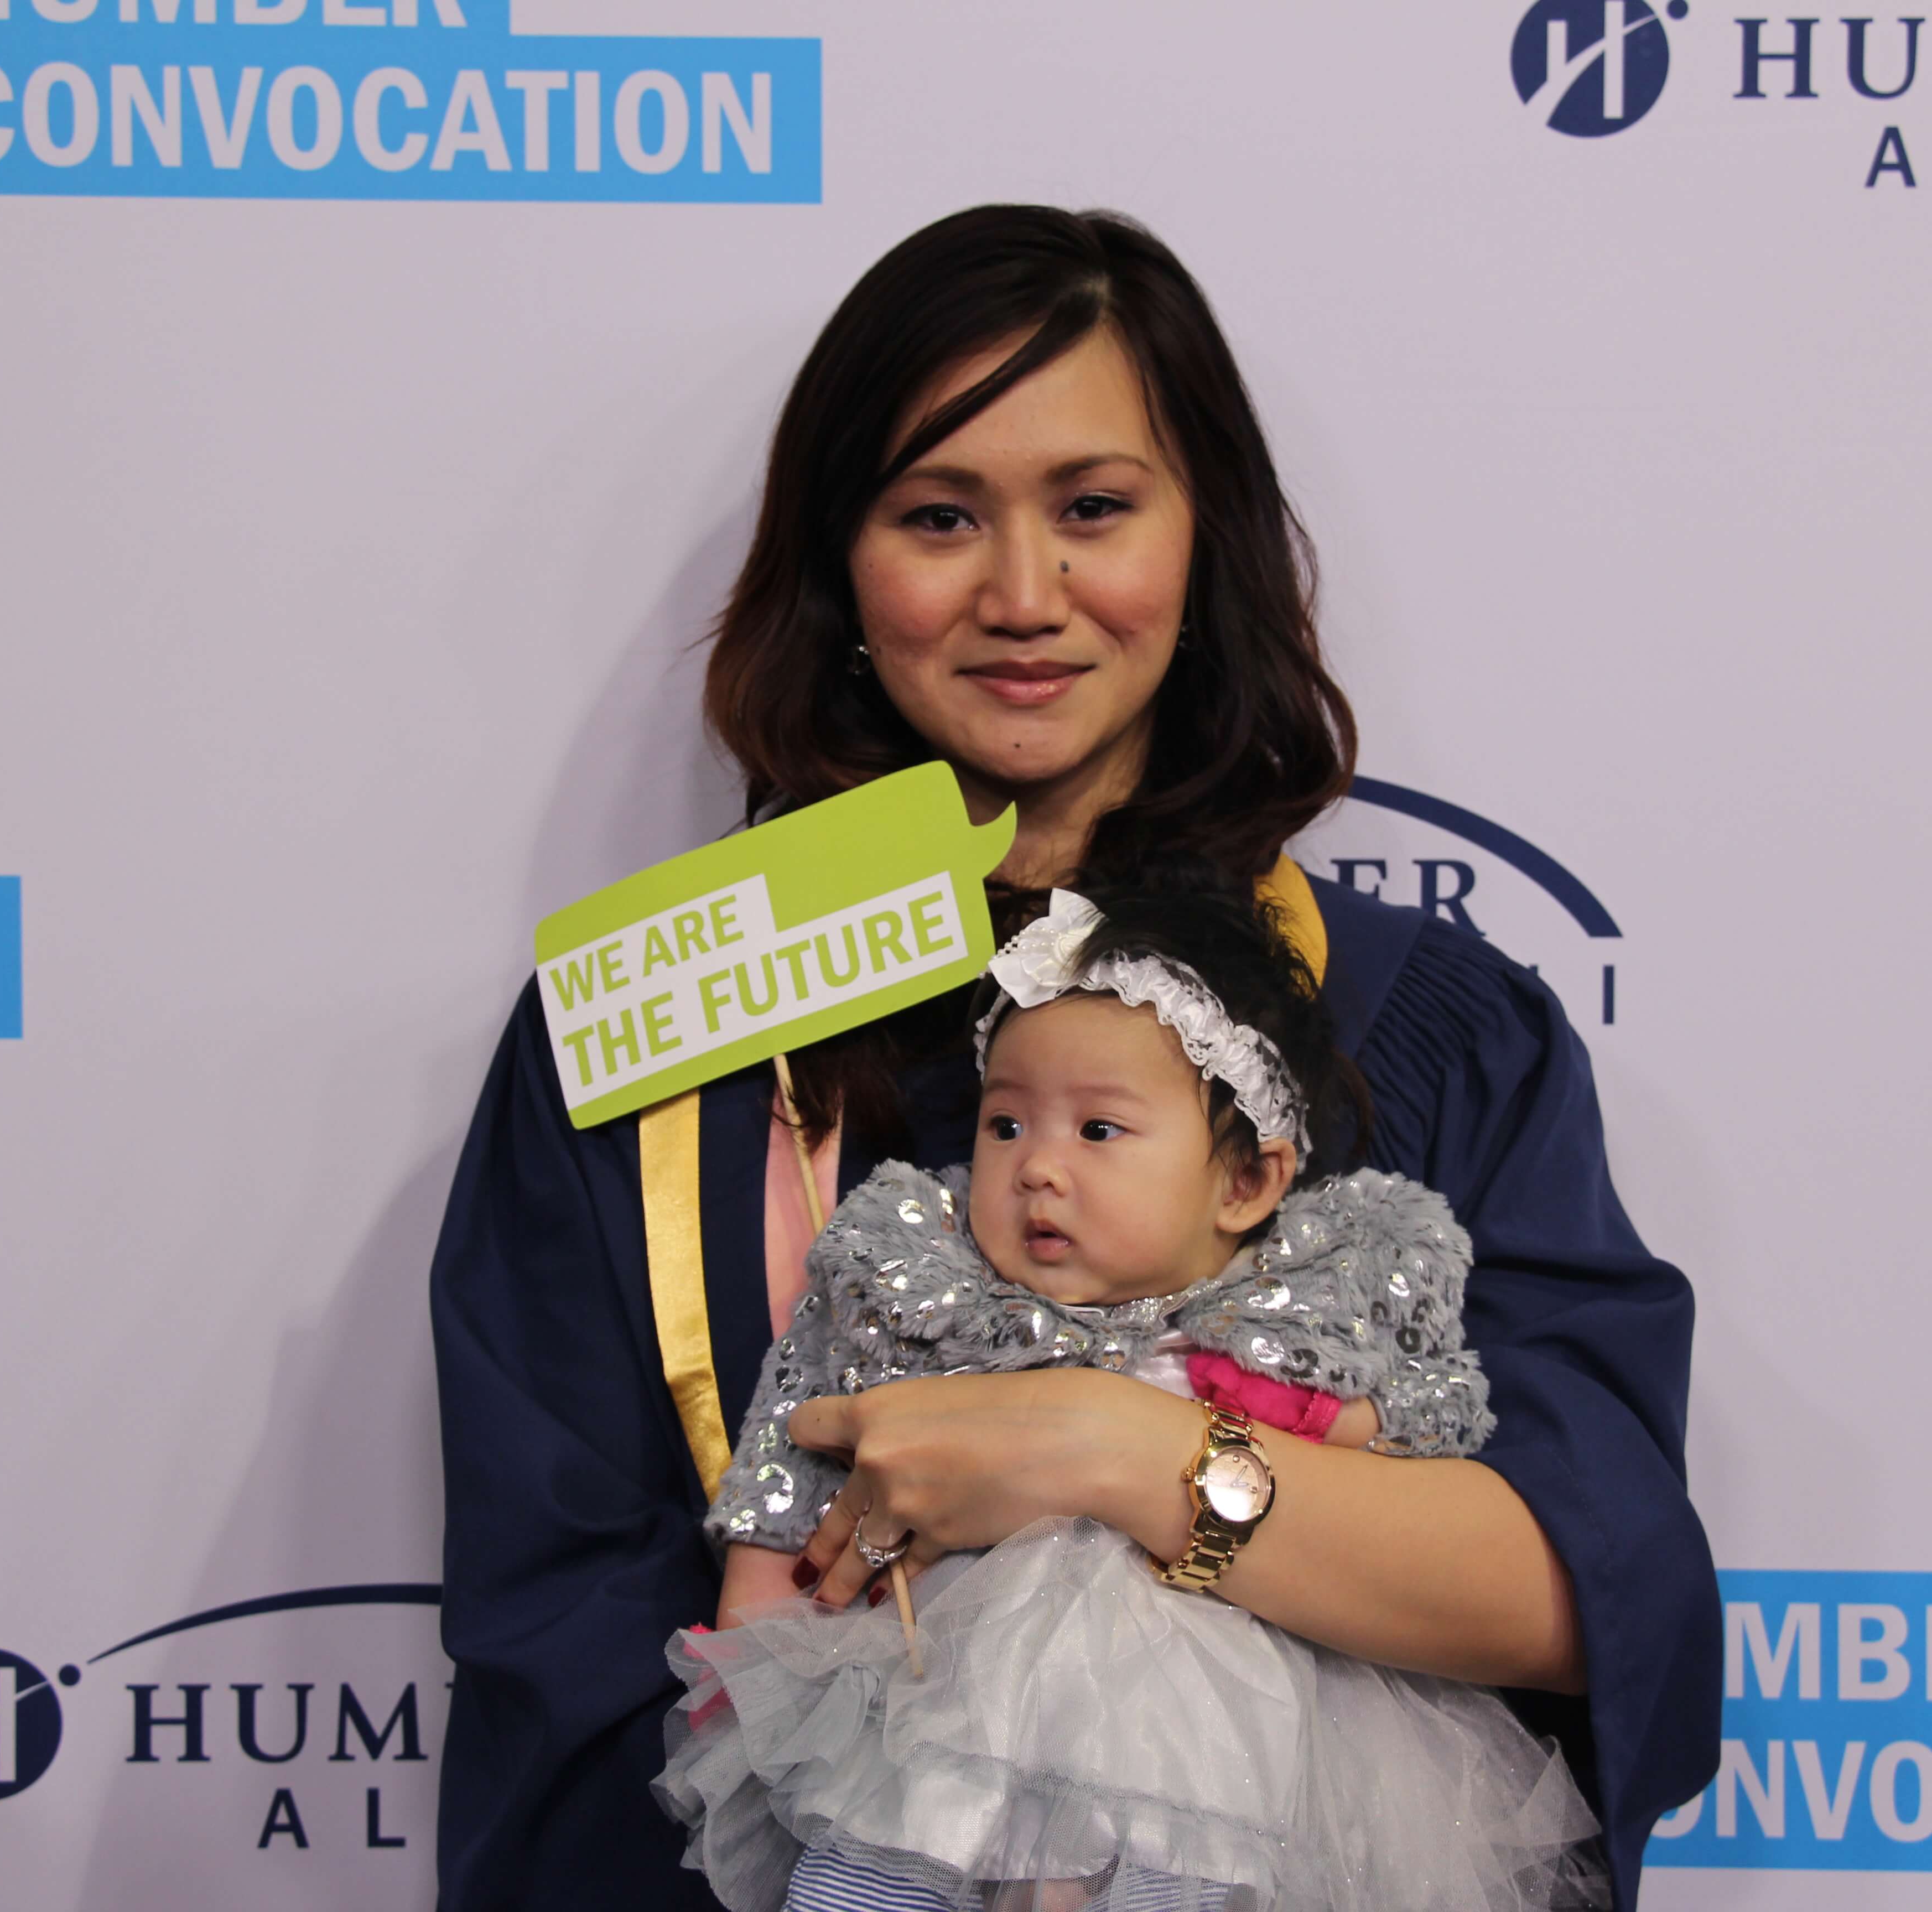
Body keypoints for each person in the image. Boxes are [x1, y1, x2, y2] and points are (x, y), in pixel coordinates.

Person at [429, 204, 1719, 1912]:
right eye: (938, 516)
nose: (1024, 597)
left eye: (1095, 509)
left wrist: (1110, 1455)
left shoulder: (1424, 1029)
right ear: (842, 571)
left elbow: (1584, 1589)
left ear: (1207, 548)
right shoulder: (655, 1046)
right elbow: (566, 1672)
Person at [659, 887, 1606, 1912]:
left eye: (1100, 1130)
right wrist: (758, 1598)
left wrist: (1350, 1430)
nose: (1039, 1171)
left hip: (1210, 1672)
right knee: (909, 1808)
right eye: (1006, 1123)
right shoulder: (928, 1290)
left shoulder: (1296, 1314)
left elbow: (1423, 1423)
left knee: (1197, 1824)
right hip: (962, 1661)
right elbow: (801, 1422)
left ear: (1244, 1183)